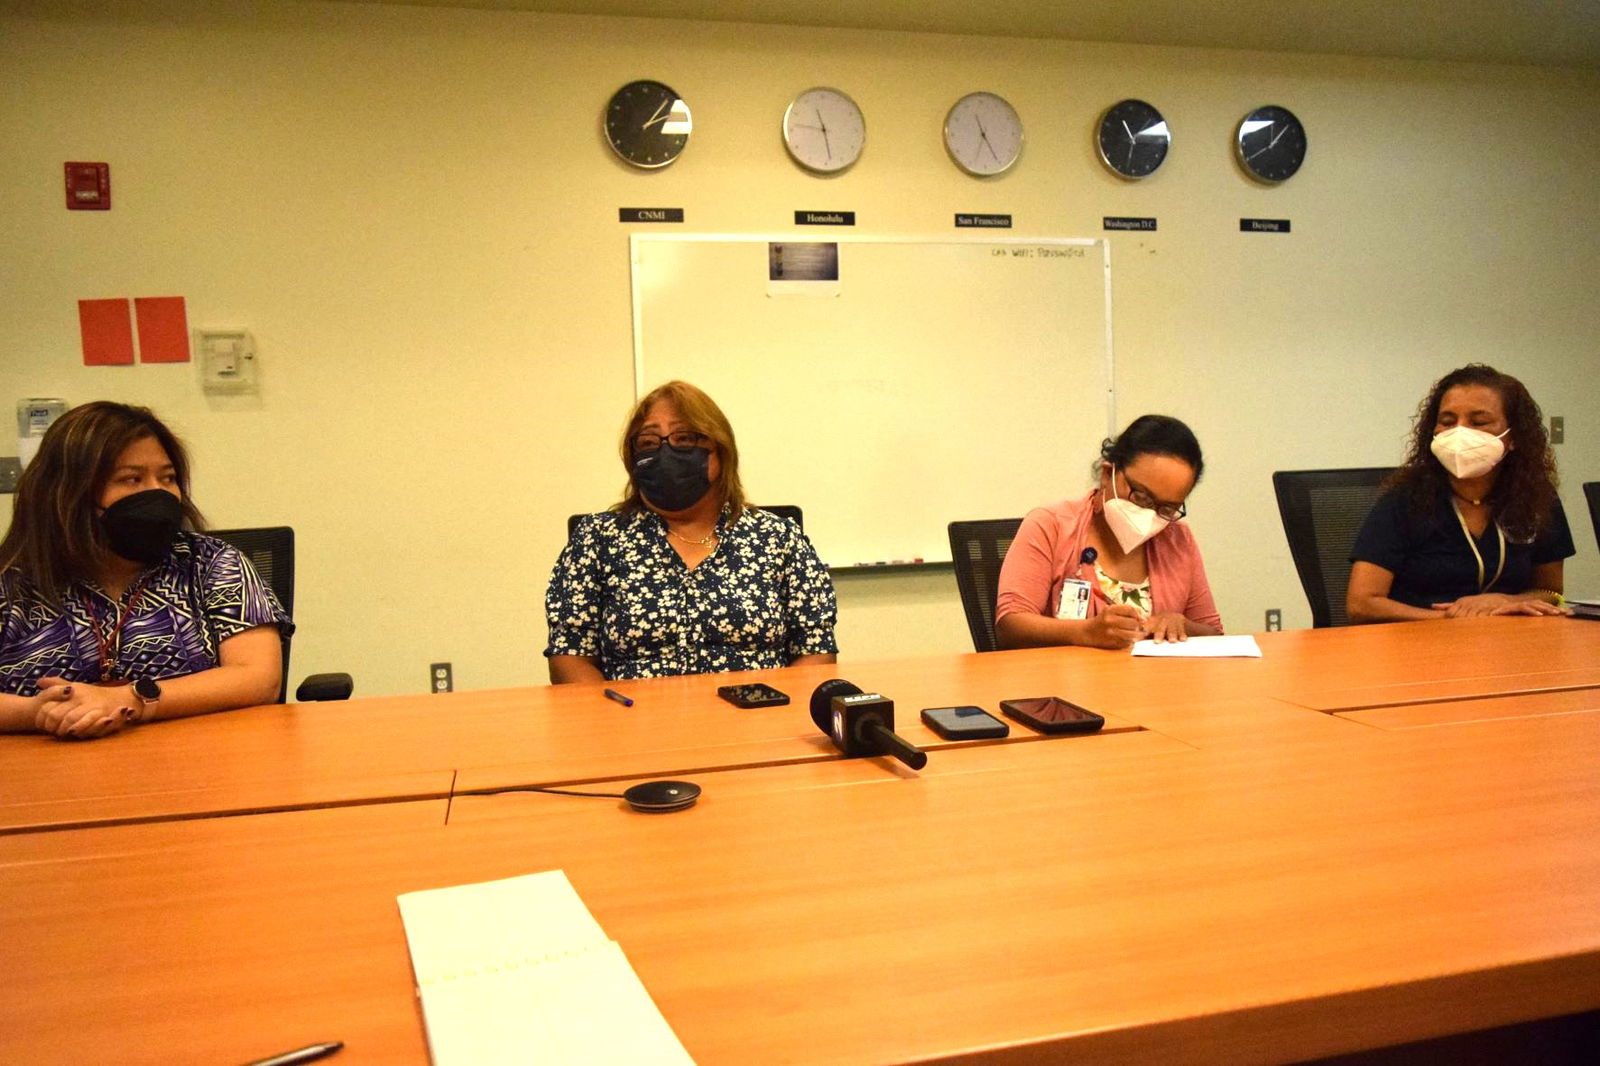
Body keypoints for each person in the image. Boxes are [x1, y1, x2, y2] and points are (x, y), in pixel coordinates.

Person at [0, 402, 290, 739]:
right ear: (67, 494)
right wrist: (40, 712)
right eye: (131, 479)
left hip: (200, 764)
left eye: (167, 478)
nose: (157, 492)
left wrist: (131, 699)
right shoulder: (13, 580)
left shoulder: (212, 563)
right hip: (42, 774)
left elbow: (258, 678)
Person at [545, 380, 838, 682]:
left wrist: (775, 713)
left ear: (720, 450)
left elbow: (816, 650)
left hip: (757, 719)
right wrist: (613, 723)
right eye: (648, 442)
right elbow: (570, 657)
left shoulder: (778, 538)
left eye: (684, 439)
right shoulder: (597, 539)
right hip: (632, 722)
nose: (665, 451)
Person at [1347, 364, 1573, 623]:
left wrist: (1505, 601)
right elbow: (1362, 603)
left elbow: (1551, 590)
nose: (1460, 432)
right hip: (1415, 643)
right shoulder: (1405, 498)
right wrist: (1455, 622)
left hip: (1507, 643)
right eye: (1447, 421)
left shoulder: (1537, 497)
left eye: (1479, 422)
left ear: (1514, 437)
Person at [995, 414, 1222, 651]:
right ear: (1107, 475)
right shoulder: (1051, 525)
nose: (1148, 514)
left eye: (1167, 508)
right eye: (1141, 496)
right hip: (1066, 683)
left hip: (1155, 683)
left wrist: (1181, 624)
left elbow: (1214, 632)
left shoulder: (1178, 539)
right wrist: (1084, 632)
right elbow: (1010, 625)